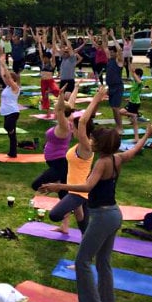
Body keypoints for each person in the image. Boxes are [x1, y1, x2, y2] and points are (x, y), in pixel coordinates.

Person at [41, 123, 152, 302]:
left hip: (103, 217)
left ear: (100, 144)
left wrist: (58, 186)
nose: (90, 141)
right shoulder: (116, 158)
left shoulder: (102, 162)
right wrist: (147, 134)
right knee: (103, 262)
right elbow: (135, 150)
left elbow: (87, 186)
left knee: (82, 261)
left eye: (93, 139)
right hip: (113, 215)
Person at [43, 86, 106, 234]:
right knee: (80, 216)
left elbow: (83, 121)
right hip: (73, 187)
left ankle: (89, 237)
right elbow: (79, 115)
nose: (73, 130)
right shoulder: (82, 144)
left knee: (54, 215)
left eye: (75, 128)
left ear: (81, 130)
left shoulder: (86, 146)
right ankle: (87, 238)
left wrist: (96, 98)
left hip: (78, 191)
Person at [31, 85, 74, 232]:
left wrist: (61, 95)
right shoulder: (67, 122)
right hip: (57, 164)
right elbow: (69, 105)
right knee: (64, 196)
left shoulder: (64, 126)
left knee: (36, 185)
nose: (55, 109)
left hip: (60, 164)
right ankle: (65, 226)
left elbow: (62, 109)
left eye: (56, 107)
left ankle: (56, 185)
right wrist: (77, 88)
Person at [0, 58, 21, 158]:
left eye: (8, 79)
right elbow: (3, 75)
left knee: (7, 127)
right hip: (6, 112)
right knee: (11, 135)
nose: (6, 80)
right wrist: (0, 64)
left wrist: (4, 65)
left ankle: (13, 151)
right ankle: (13, 153)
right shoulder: (8, 87)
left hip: (13, 112)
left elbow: (7, 76)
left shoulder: (15, 87)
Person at [104, 28, 125, 133]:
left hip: (117, 87)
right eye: (111, 52)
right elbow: (104, 47)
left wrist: (112, 36)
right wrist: (105, 36)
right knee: (113, 108)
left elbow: (120, 50)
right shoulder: (110, 60)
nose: (111, 53)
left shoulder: (119, 61)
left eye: (113, 52)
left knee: (116, 108)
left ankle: (120, 128)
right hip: (111, 87)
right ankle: (118, 126)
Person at [120, 62, 144, 142]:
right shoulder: (134, 82)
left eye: (135, 75)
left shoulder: (140, 82)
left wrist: (133, 73)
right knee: (134, 122)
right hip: (132, 102)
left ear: (139, 76)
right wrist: (128, 98)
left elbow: (139, 82)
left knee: (120, 112)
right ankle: (136, 138)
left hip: (134, 103)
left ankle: (133, 114)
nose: (133, 76)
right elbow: (134, 93)